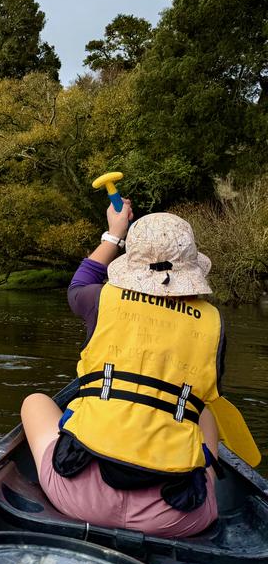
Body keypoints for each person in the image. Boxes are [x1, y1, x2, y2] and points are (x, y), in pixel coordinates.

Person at [20, 201, 223, 538]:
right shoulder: (215, 324)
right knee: (204, 413)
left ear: (131, 263)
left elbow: (79, 281)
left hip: (79, 499)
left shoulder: (99, 300)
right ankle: (208, 490)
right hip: (175, 518)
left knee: (35, 401)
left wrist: (115, 233)